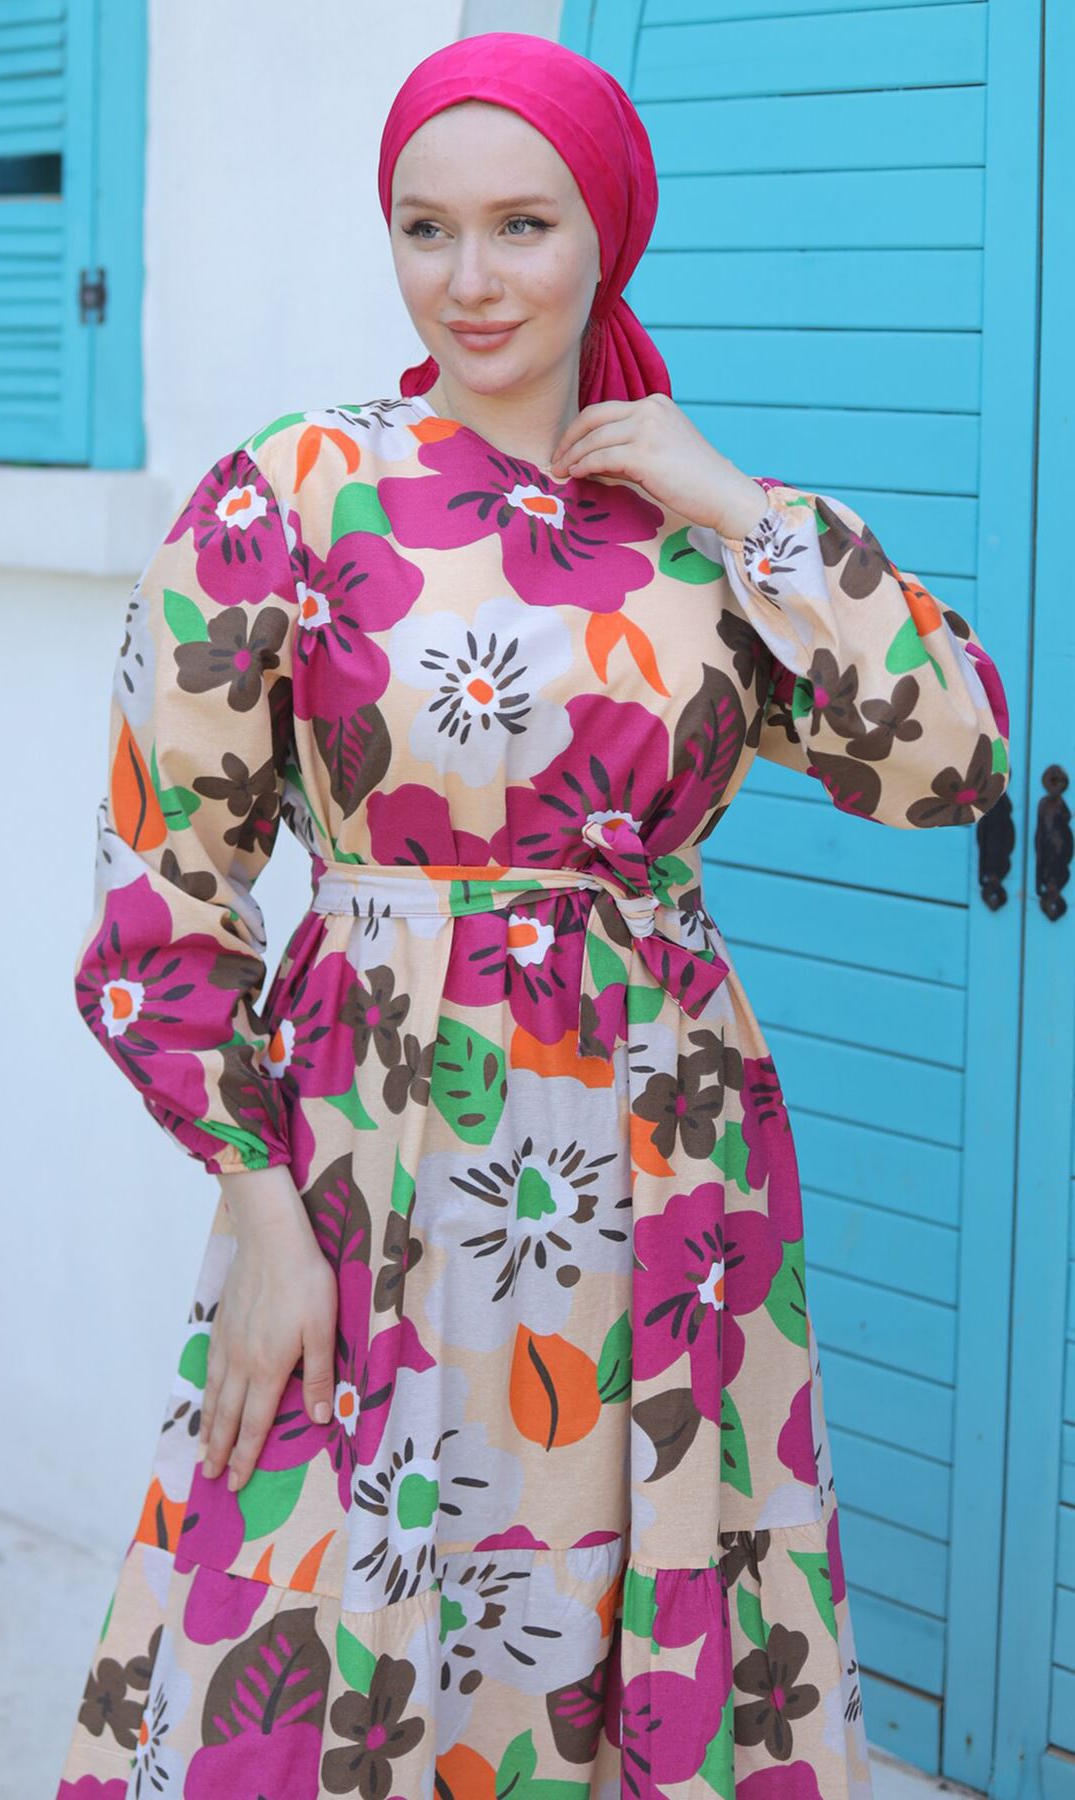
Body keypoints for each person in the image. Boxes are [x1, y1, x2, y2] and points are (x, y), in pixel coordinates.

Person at [56, 30, 1010, 1800]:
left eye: (522, 225)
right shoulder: (293, 493)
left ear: (607, 235)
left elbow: (952, 761)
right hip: (370, 1166)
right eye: (427, 229)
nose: (471, 280)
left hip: (667, 1165)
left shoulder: (702, 538)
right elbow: (159, 882)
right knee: (324, 1610)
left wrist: (738, 507)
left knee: (625, 1583)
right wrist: (264, 1215)